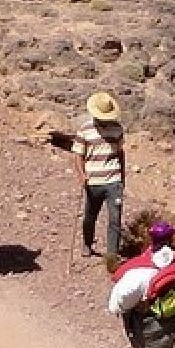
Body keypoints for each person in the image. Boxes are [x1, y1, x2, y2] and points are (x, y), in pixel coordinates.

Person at [71, 91, 126, 258]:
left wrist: (122, 176)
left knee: (115, 218)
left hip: (113, 179)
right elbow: (78, 154)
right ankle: (87, 244)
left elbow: (120, 153)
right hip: (93, 180)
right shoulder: (85, 129)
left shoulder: (117, 129)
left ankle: (112, 255)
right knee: (90, 216)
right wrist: (81, 175)